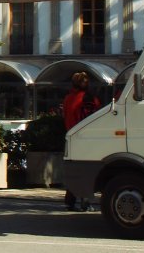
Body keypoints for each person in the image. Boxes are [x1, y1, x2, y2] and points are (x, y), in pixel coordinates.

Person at [62, 72, 101, 211]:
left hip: (71, 136)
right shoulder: (88, 98)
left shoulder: (68, 98)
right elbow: (93, 118)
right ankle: (85, 201)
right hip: (85, 138)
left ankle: (70, 201)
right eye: (85, 81)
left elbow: (65, 116)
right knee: (87, 170)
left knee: (75, 170)